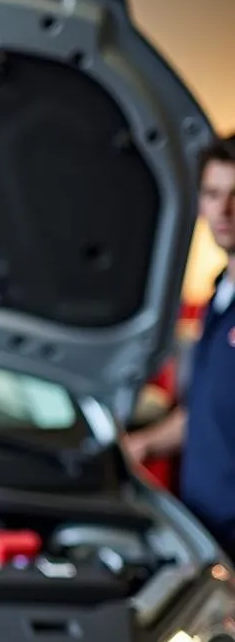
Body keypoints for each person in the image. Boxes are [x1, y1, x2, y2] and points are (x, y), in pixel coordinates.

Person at [124, 135, 235, 553]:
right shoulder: (217, 299)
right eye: (212, 194)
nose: (223, 211)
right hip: (203, 531)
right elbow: (207, 413)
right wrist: (144, 443)